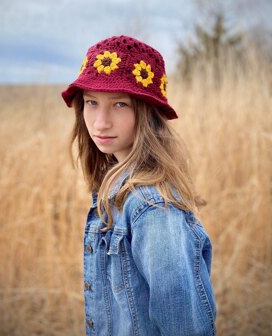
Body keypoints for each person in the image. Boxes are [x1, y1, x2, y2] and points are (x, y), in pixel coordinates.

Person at [61, 35, 216, 335]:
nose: (100, 122)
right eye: (92, 102)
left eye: (120, 104)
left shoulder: (152, 207)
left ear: (146, 113)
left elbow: (183, 325)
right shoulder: (116, 188)